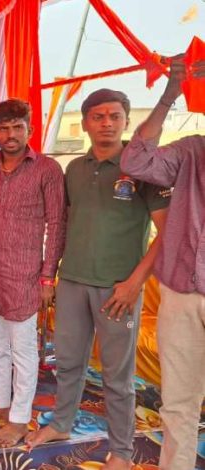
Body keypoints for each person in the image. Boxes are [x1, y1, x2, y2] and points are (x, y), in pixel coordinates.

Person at [25, 90, 169, 469]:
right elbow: (64, 224)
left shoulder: (142, 168)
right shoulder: (74, 168)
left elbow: (166, 233)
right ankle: (61, 424)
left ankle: (121, 451)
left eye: (115, 116)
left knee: (118, 376)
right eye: (98, 116)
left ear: (125, 121)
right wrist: (52, 276)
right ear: (86, 122)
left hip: (118, 288)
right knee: (68, 362)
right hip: (72, 280)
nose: (107, 123)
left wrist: (134, 283)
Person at [0, 99, 66, 447]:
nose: (11, 135)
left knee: (23, 349)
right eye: (4, 129)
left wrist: (47, 277)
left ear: (30, 130)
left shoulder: (47, 169)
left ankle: (20, 419)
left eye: (17, 127)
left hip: (25, 273)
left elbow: (57, 225)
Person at [120, 56, 205, 470]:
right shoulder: (192, 150)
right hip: (182, 293)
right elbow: (135, 162)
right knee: (178, 402)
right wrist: (171, 94)